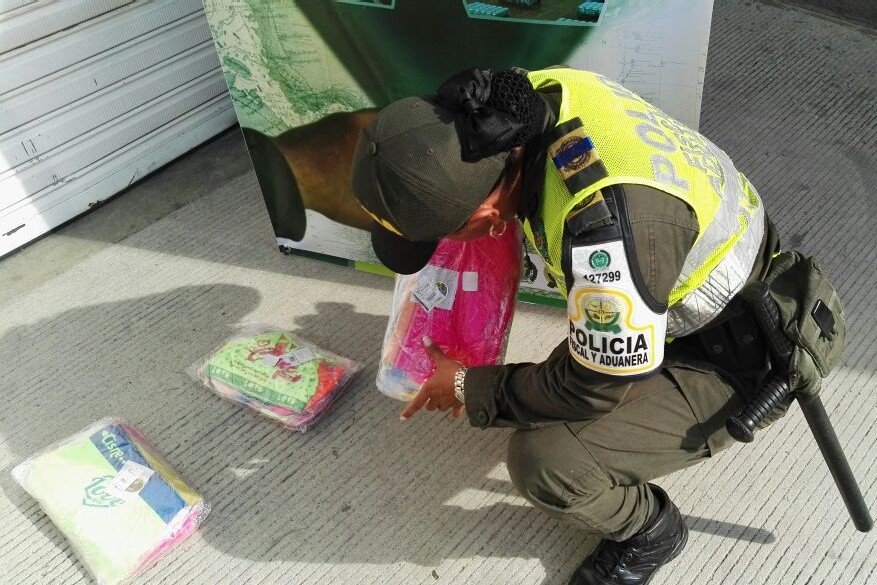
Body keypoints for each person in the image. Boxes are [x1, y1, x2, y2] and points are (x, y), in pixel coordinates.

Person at [350, 66, 785, 585]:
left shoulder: (603, 240)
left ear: (488, 213)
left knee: (546, 462)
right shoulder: (521, 98)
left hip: (736, 350)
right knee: (562, 379)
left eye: (442, 234)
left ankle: (650, 531)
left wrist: (468, 384)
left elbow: (589, 389)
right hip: (679, 283)